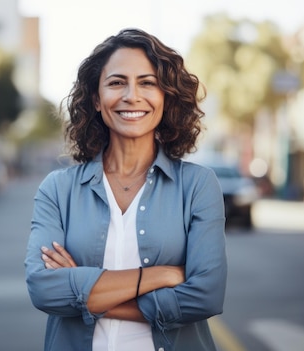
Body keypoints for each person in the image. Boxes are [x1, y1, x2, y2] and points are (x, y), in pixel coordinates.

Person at [25, 28, 227, 351]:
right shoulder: (58, 189)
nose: (131, 95)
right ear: (96, 98)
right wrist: (160, 276)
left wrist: (86, 294)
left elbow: (206, 296)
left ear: (165, 96)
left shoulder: (198, 186)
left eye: (147, 83)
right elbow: (43, 289)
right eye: (117, 82)